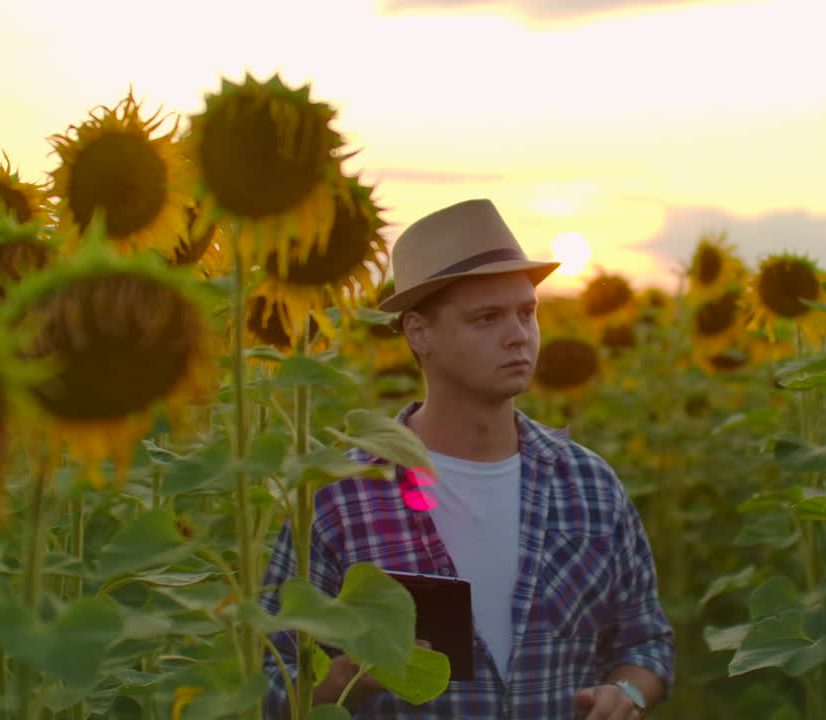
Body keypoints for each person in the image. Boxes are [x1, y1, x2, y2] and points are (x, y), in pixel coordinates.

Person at [261, 199, 674, 718]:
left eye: (527, 313)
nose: (518, 335)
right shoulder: (342, 495)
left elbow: (646, 641)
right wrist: (350, 677)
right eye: (487, 318)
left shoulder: (589, 484)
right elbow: (271, 678)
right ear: (419, 333)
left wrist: (627, 692)